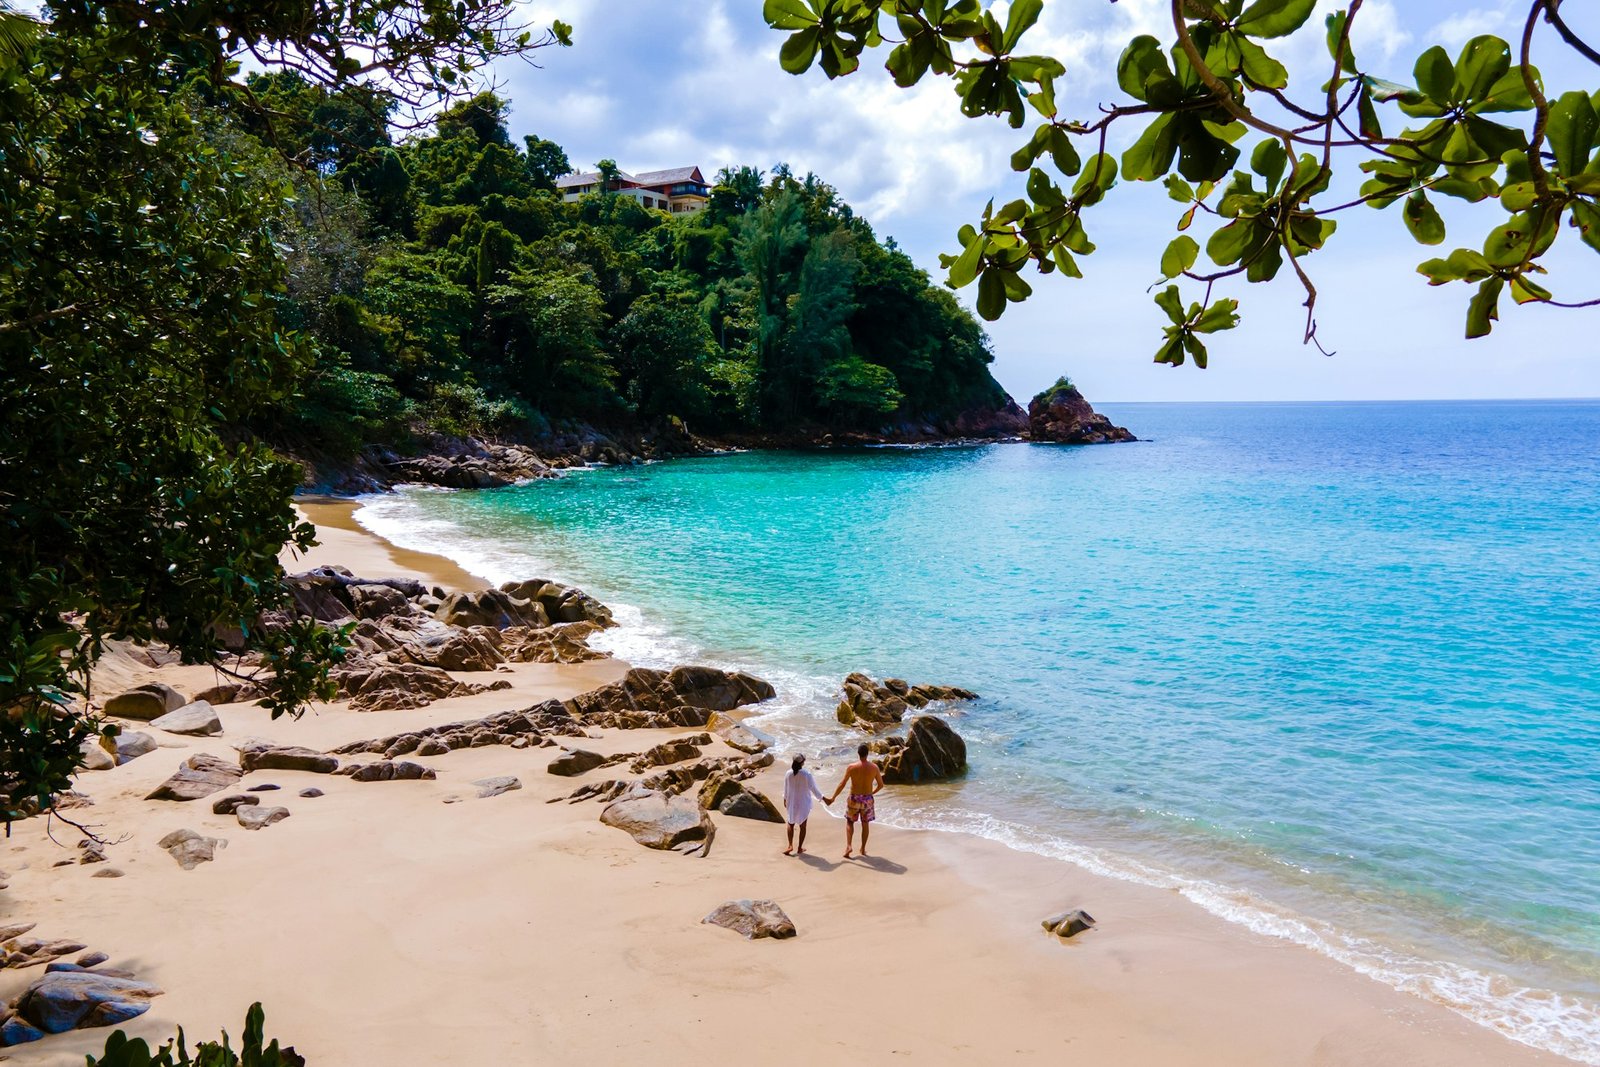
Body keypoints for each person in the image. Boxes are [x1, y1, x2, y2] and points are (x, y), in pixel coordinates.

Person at [827, 743, 884, 859]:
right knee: (865, 824)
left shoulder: (852, 767)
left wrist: (833, 797)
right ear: (867, 754)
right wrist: (871, 793)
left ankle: (848, 846)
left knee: (849, 822)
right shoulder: (874, 767)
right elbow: (881, 785)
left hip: (854, 798)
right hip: (867, 799)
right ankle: (862, 848)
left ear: (858, 754)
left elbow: (842, 784)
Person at [781, 754, 828, 856]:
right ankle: (799, 848)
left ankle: (790, 845)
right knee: (803, 826)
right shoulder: (806, 774)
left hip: (791, 801)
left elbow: (785, 788)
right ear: (803, 762)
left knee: (790, 823)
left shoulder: (788, 773)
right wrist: (824, 798)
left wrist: (785, 799)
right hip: (803, 803)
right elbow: (814, 789)